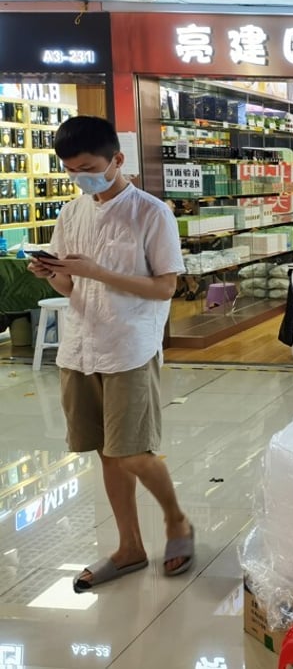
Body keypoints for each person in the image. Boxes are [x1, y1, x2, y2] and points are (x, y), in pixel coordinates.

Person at [26, 116, 193, 592]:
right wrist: (51, 273)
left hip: (128, 346)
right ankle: (129, 547)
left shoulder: (151, 213)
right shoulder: (71, 213)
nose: (82, 177)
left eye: (90, 167)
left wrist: (97, 272)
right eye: (72, 171)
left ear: (117, 160)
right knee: (105, 452)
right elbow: (69, 281)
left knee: (134, 452)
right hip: (79, 347)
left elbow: (164, 288)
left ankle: (177, 521)